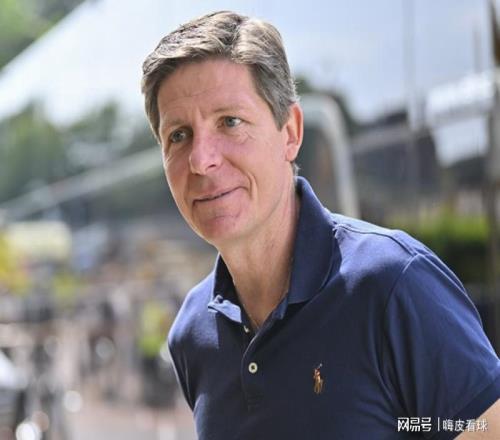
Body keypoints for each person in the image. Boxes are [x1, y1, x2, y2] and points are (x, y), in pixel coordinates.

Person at [141, 10, 500, 439]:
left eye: (230, 122)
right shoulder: (190, 333)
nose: (201, 160)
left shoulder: (395, 285)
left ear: (290, 132)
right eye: (179, 136)